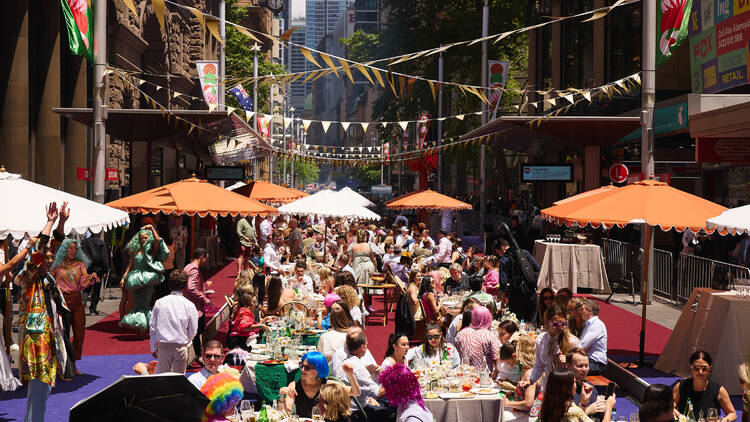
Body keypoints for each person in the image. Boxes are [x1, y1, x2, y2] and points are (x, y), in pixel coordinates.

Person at [15, 204, 63, 421]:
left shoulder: (47, 278)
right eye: (46, 257)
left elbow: (54, 247)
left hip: (47, 335)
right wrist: (50, 222)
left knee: (44, 388)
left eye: (51, 257)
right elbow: (39, 252)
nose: (50, 259)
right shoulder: (28, 276)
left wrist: (61, 223)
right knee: (39, 385)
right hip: (36, 339)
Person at [50, 238, 98, 368]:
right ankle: (63, 364)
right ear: (64, 250)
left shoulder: (79, 264)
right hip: (63, 302)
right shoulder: (57, 265)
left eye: (75, 248)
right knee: (63, 335)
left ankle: (74, 363)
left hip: (77, 301)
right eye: (70, 248)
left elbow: (83, 281)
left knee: (79, 334)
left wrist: (91, 277)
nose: (73, 251)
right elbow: (49, 280)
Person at [119, 224, 170, 338]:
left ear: (149, 237)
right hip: (135, 278)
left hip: (147, 279)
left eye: (145, 237)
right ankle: (141, 328)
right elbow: (130, 264)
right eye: (141, 238)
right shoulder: (135, 250)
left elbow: (157, 240)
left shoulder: (151, 249)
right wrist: (124, 277)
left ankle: (144, 329)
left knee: (145, 304)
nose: (143, 240)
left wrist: (152, 228)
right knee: (137, 304)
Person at [280, 351, 361, 418]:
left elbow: (356, 392)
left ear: (318, 370)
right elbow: (286, 415)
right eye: (301, 366)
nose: (302, 370)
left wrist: (350, 374)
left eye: (307, 368)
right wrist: (282, 398)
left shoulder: (327, 385)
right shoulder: (294, 386)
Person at [149, 269, 198, 374]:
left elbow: (152, 326)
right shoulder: (189, 305)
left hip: (163, 345)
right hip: (180, 345)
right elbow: (193, 330)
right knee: (179, 380)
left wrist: (153, 346)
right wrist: (186, 340)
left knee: (162, 378)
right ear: (185, 286)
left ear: (169, 284)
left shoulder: (159, 303)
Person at [527, 304, 582, 388]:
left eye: (563, 324)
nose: (560, 327)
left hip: (567, 386)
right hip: (549, 386)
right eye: (555, 324)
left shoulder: (573, 342)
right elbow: (539, 365)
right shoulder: (541, 340)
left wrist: (568, 361)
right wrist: (530, 381)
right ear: (547, 322)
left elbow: (582, 367)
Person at [673, 350, 737, 421]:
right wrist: (673, 411)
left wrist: (722, 421)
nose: (700, 372)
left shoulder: (718, 390)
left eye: (704, 369)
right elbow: (669, 406)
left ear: (710, 368)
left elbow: (732, 413)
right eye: (696, 368)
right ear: (691, 368)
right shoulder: (681, 386)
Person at [330, 327, 385, 410]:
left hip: (354, 401)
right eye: (366, 344)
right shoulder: (356, 366)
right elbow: (378, 393)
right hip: (357, 409)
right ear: (362, 347)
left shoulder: (351, 361)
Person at [538, 368, 615, 422]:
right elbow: (578, 415)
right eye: (574, 382)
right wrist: (609, 406)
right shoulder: (571, 411)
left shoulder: (548, 405)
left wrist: (584, 401)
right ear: (568, 387)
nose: (576, 385)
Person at [183, 248, 212, 359]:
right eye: (206, 259)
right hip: (194, 306)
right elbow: (191, 288)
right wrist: (204, 298)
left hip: (190, 303)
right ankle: (197, 355)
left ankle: (197, 354)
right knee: (195, 332)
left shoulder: (188, 267)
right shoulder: (194, 270)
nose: (206, 262)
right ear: (201, 257)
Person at [455, 306, 501, 371]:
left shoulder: (461, 334)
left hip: (465, 374)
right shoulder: (490, 336)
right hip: (483, 375)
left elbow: (456, 354)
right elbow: (496, 360)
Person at [566, 348, 608, 416]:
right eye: (580, 366)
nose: (584, 369)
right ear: (568, 366)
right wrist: (588, 411)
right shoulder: (562, 390)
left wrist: (602, 406)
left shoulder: (590, 387)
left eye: (586, 366)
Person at [577, 298, 608, 375]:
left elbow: (582, 346)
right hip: (590, 361)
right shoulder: (590, 324)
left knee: (568, 369)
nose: (580, 312)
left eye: (582, 309)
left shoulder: (597, 325)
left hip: (596, 364)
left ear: (589, 311)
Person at [80, 232, 107, 315]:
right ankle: (92, 309)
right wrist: (104, 270)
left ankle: (81, 306)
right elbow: (104, 258)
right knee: (96, 289)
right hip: (98, 268)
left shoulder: (85, 242)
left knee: (86, 288)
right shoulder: (101, 243)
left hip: (87, 267)